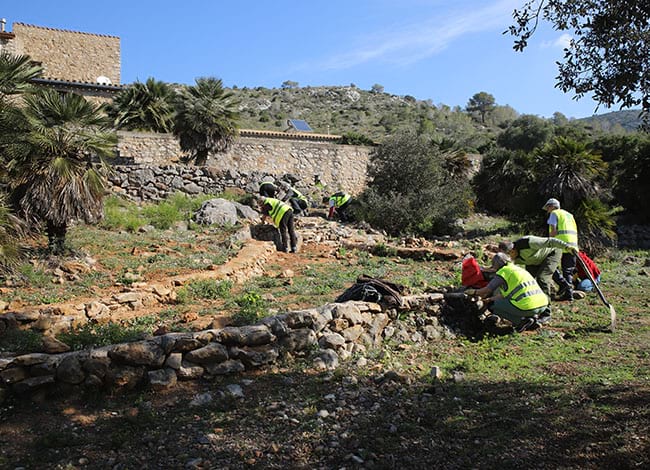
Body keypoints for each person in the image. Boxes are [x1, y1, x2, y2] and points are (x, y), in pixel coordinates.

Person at [465, 253, 551, 332]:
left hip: (527, 307)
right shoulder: (518, 269)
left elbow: (487, 290)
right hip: (542, 305)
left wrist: (474, 292)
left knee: (492, 306)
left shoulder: (504, 272)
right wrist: (490, 298)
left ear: (496, 264)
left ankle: (520, 321)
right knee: (502, 302)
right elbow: (505, 295)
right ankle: (532, 320)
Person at [499, 236, 577, 300]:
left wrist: (567, 247)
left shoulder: (528, 242)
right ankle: (563, 285)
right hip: (534, 260)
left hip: (551, 253)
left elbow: (551, 241)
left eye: (510, 254)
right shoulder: (511, 258)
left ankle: (545, 310)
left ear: (513, 249)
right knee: (529, 280)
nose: (510, 257)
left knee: (542, 278)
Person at [543, 198, 579, 301]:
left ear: (552, 206)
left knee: (549, 266)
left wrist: (548, 242)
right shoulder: (569, 215)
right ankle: (569, 294)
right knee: (568, 271)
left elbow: (554, 231)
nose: (547, 210)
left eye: (548, 207)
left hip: (560, 244)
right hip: (573, 245)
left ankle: (563, 284)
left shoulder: (554, 214)